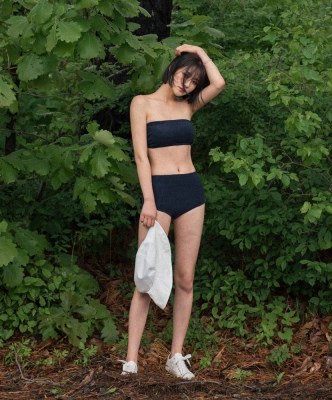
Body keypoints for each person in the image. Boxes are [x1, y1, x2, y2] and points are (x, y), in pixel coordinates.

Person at [121, 44, 225, 379]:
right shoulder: (141, 103)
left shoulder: (188, 105)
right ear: (173, 68)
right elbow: (141, 157)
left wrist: (199, 52)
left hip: (191, 193)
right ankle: (131, 360)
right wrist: (149, 200)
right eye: (184, 75)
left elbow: (219, 83)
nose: (187, 84)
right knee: (145, 277)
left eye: (194, 81)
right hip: (159, 194)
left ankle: (176, 356)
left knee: (185, 278)